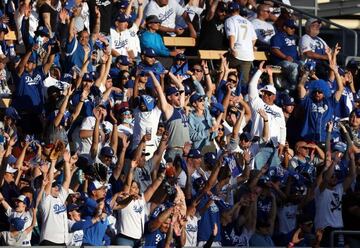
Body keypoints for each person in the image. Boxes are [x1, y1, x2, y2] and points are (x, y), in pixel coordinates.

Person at [248, 62, 286, 168]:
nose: (265, 95)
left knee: (272, 174)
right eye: (264, 93)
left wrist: (282, 143)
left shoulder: (278, 110)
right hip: (258, 144)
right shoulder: (257, 103)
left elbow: (283, 128)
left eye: (268, 94)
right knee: (255, 172)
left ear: (274, 97)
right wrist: (260, 71)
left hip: (274, 145)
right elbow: (251, 85)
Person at [225, 1, 257, 84]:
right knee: (243, 82)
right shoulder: (248, 22)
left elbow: (232, 35)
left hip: (237, 52)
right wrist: (250, 47)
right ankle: (240, 95)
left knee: (222, 68)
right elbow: (254, 39)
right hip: (248, 54)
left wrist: (232, 48)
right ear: (238, 10)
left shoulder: (230, 20)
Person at [270, 19, 300, 89]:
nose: (293, 30)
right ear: (284, 27)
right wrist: (285, 57)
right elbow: (274, 50)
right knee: (294, 67)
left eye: (294, 28)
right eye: (291, 28)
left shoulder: (294, 37)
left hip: (293, 61)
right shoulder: (277, 37)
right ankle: (294, 88)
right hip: (280, 62)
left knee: (304, 66)